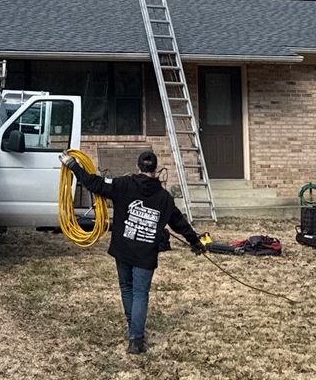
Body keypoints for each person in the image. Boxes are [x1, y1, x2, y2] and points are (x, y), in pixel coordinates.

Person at [59, 149, 206, 354]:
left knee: (127, 288)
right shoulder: (164, 198)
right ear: (156, 170)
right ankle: (136, 338)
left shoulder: (123, 184)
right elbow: (179, 222)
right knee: (140, 293)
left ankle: (134, 332)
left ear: (138, 167)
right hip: (146, 253)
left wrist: (72, 165)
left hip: (123, 249)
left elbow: (94, 183)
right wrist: (196, 242)